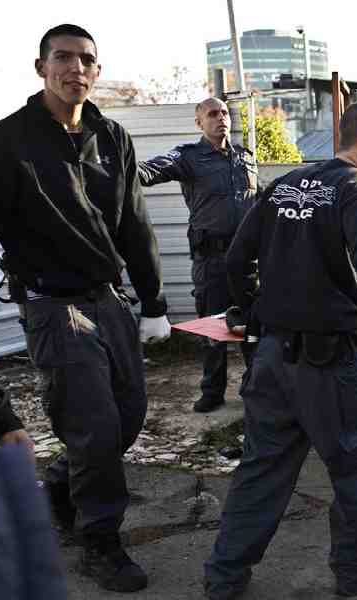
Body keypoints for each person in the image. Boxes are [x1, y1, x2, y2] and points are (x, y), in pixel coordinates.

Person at [203, 101, 357, 600]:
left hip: (272, 359)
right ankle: (356, 567)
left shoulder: (285, 185)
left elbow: (236, 260)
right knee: (353, 467)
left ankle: (224, 576)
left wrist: (253, 312)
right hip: (330, 366)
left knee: (261, 469)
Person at [0, 24, 171, 593]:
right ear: (41, 67)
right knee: (93, 424)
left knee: (128, 415)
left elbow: (135, 223)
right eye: (63, 58)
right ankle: (100, 542)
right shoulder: (7, 141)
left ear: (97, 70)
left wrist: (154, 302)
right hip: (54, 304)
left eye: (86, 60)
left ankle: (64, 485)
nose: (75, 69)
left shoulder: (110, 136)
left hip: (106, 298)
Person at [138, 97, 259, 413]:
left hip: (247, 260)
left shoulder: (245, 158)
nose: (221, 118)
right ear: (199, 122)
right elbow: (150, 170)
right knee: (213, 329)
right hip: (212, 259)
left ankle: (258, 388)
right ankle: (212, 391)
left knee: (253, 328)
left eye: (224, 113)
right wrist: (120, 171)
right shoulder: (188, 156)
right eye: (212, 114)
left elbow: (260, 197)